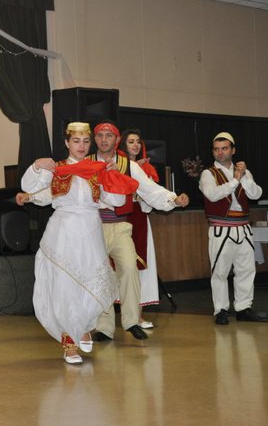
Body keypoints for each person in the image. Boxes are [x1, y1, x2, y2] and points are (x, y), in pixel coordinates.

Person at [21, 122, 131, 364]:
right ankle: (69, 342)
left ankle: (83, 326)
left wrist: (112, 175)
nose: (81, 146)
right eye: (76, 141)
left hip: (91, 230)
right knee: (64, 285)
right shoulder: (56, 168)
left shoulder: (97, 169)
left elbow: (117, 199)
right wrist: (36, 166)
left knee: (90, 281)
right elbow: (30, 187)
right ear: (66, 143)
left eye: (85, 141)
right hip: (63, 231)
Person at [90, 122, 189, 342]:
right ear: (95, 139)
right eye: (100, 135)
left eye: (109, 135)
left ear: (116, 140)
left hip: (120, 227)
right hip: (93, 228)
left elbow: (150, 190)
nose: (104, 139)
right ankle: (104, 328)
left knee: (129, 267)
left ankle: (132, 321)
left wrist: (173, 199)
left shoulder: (128, 166)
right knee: (101, 276)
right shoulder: (86, 164)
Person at [199, 132, 267, 325]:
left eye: (224, 148)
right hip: (221, 228)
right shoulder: (208, 173)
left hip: (243, 227)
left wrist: (243, 177)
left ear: (233, 150)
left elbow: (256, 194)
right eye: (216, 149)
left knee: (246, 270)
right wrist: (235, 181)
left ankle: (243, 308)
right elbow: (212, 195)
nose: (220, 153)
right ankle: (221, 310)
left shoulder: (244, 171)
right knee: (220, 271)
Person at [119, 129, 161, 329]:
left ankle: (138, 315)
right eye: (130, 141)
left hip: (139, 217)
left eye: (137, 141)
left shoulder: (147, 169)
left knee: (141, 265)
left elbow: (150, 195)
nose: (135, 145)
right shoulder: (117, 165)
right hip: (120, 217)